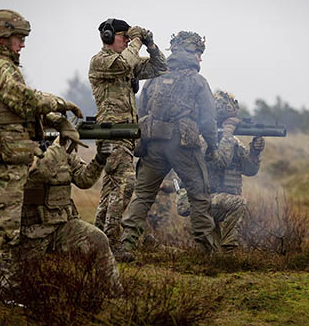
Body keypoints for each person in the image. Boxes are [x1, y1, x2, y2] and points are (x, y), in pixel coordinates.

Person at [0, 9, 83, 302]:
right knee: (0, 228)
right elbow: (24, 99)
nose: (23, 44)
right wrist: (60, 103)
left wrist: (55, 119)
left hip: (5, 156)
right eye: (20, 38)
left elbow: (18, 109)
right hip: (2, 159)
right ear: (3, 37)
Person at [120, 31, 218, 259]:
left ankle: (126, 244)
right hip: (184, 147)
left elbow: (141, 110)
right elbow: (208, 119)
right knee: (199, 195)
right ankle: (208, 252)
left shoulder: (155, 77)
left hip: (153, 145)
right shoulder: (197, 80)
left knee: (143, 195)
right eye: (198, 53)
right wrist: (212, 146)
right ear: (189, 52)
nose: (200, 58)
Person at [18, 122, 123, 297]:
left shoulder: (64, 154)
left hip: (63, 226)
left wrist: (100, 158)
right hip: (32, 230)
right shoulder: (23, 151)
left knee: (98, 239)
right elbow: (40, 174)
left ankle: (115, 294)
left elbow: (84, 180)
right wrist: (59, 145)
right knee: (20, 281)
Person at [89, 18, 167, 253]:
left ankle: (98, 239)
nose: (127, 42)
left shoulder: (127, 60)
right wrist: (137, 40)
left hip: (124, 135)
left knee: (111, 188)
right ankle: (112, 244)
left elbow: (159, 68)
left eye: (127, 38)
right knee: (125, 183)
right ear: (109, 37)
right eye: (123, 38)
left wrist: (151, 46)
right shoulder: (102, 60)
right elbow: (124, 64)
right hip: (112, 133)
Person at [207, 91, 265, 252]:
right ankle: (228, 249)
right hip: (205, 201)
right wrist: (227, 134)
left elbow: (249, 170)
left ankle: (226, 254)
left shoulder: (234, 143)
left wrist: (255, 152)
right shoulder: (205, 139)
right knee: (211, 251)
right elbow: (220, 162)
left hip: (225, 202)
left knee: (213, 254)